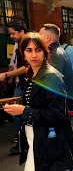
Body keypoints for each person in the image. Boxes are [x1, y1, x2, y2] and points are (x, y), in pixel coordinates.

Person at [3, 32, 73, 170]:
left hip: (52, 146)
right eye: (29, 50)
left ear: (45, 52)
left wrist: (25, 111)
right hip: (37, 140)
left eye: (38, 50)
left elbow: (59, 115)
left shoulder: (51, 77)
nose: (34, 55)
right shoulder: (32, 72)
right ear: (23, 53)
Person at [0, 18, 29, 155]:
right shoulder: (19, 44)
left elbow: (26, 67)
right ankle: (23, 140)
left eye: (13, 33)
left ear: (22, 31)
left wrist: (7, 74)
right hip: (20, 83)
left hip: (25, 84)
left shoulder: (27, 44)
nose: (11, 36)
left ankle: (24, 142)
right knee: (18, 113)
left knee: (19, 113)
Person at [39, 23, 73, 109]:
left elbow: (54, 83)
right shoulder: (57, 50)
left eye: (40, 35)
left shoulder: (54, 54)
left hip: (60, 104)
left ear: (47, 38)